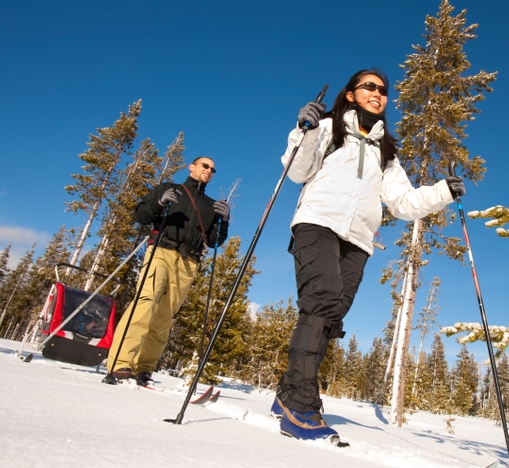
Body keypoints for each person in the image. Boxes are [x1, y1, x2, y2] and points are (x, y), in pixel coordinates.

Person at [272, 69, 465, 443]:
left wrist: (443, 191)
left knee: (331, 313)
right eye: (370, 87)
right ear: (350, 94)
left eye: (383, 90)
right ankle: (299, 402)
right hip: (318, 223)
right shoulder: (328, 128)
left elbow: (404, 204)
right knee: (322, 299)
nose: (378, 94)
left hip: (359, 240)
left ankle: (288, 391)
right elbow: (298, 171)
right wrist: (304, 129)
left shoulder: (386, 152)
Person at [106, 157, 230, 386]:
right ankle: (121, 362)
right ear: (191, 167)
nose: (209, 171)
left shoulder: (210, 205)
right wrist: (160, 203)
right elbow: (142, 216)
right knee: (146, 302)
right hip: (162, 250)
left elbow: (213, 242)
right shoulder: (169, 189)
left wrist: (224, 220)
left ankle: (144, 367)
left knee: (166, 315)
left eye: (213, 169)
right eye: (205, 166)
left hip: (189, 261)